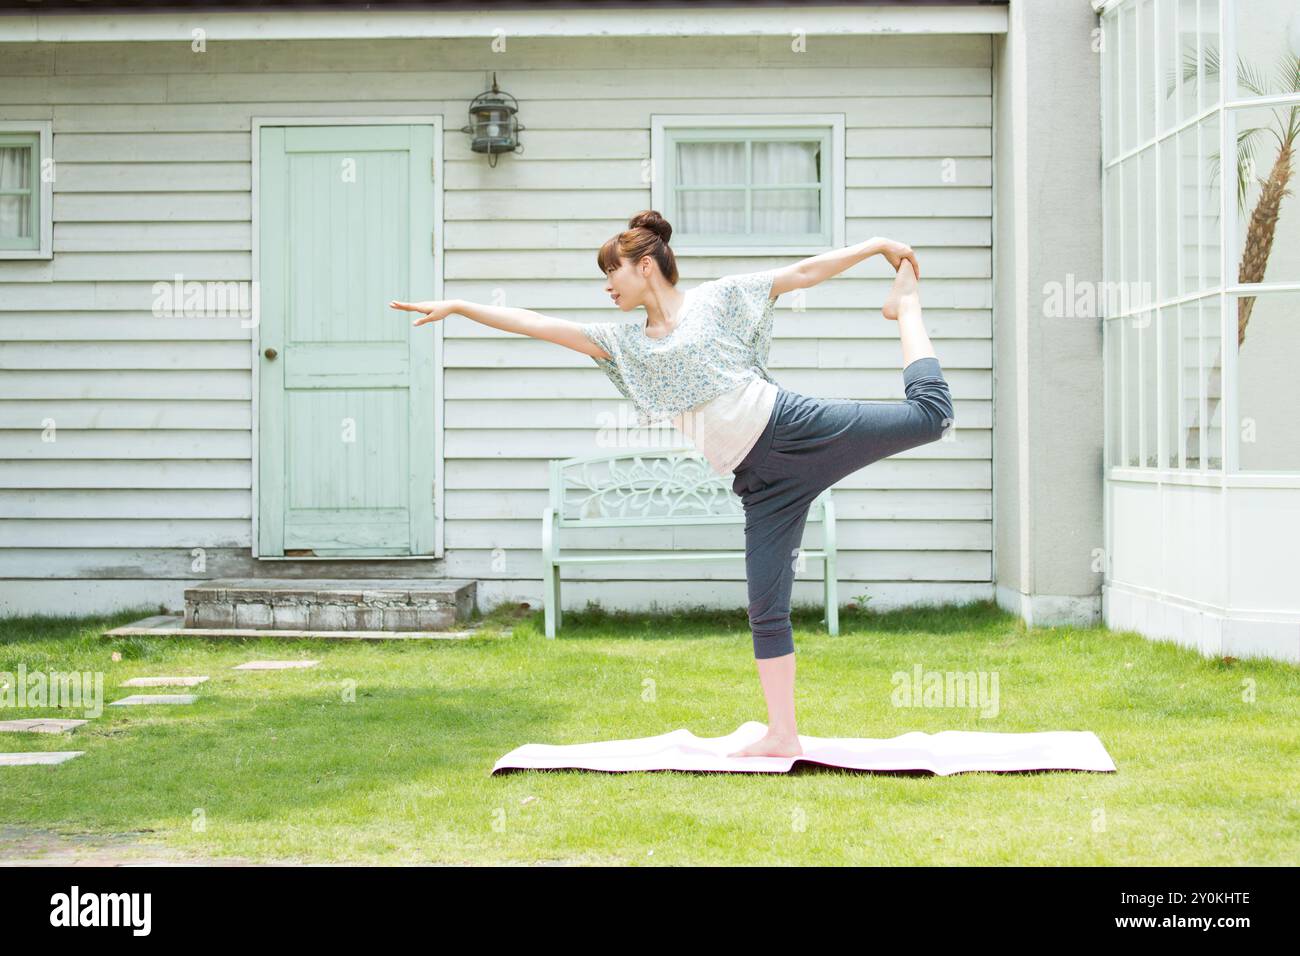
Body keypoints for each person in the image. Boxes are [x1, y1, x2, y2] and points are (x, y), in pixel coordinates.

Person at [389, 209, 953, 758]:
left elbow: (802, 273)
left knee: (931, 416)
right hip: (760, 482)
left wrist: (876, 245)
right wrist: (462, 307)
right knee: (766, 606)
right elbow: (541, 326)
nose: (607, 285)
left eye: (612, 271)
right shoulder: (626, 344)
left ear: (644, 265)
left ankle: (905, 308)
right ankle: (783, 734)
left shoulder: (719, 298)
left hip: (792, 428)